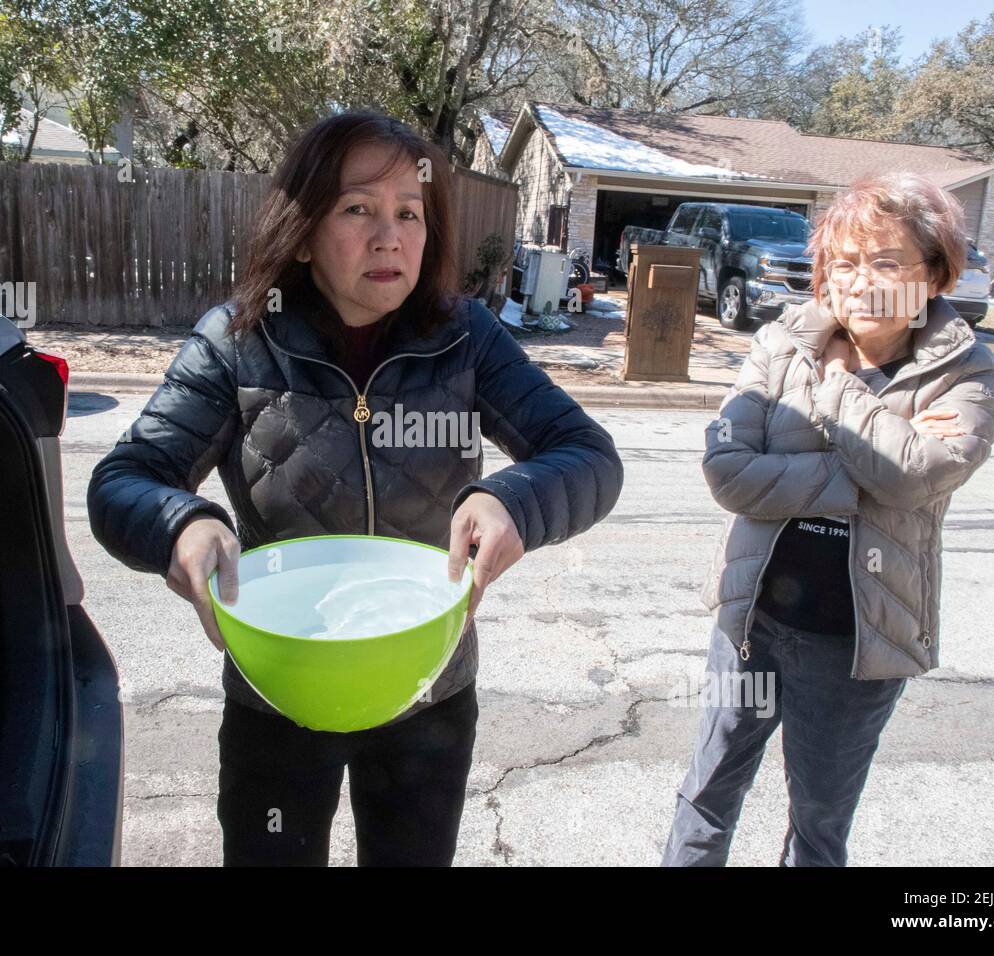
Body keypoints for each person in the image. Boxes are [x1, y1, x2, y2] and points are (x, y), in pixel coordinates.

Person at [87, 111, 623, 866]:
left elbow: (589, 455)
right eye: (357, 209)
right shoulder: (238, 341)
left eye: (410, 213)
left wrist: (513, 501)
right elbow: (123, 480)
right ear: (303, 232)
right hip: (278, 687)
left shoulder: (466, 338)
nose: (390, 237)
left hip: (427, 691)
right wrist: (181, 525)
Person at [662, 170, 994, 866]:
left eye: (885, 261)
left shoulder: (966, 372)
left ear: (935, 275)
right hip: (751, 620)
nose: (857, 280)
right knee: (706, 794)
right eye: (842, 262)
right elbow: (728, 471)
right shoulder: (783, 341)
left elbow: (916, 477)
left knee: (818, 827)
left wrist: (841, 389)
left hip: (857, 644)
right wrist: (866, 473)